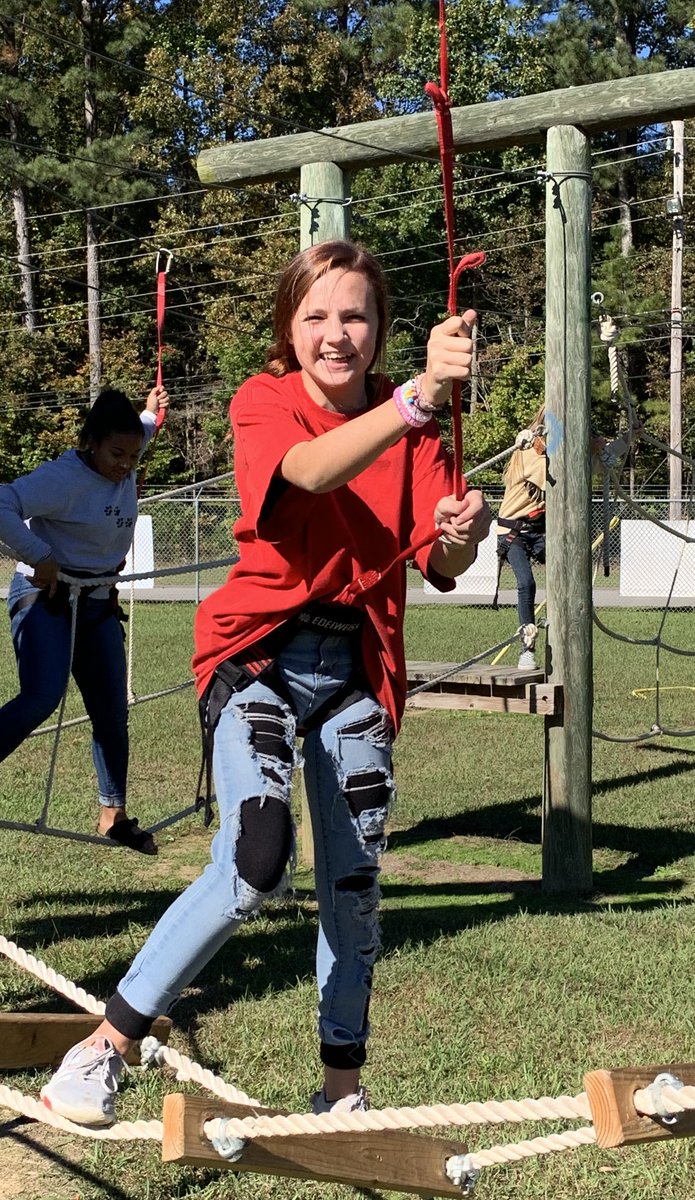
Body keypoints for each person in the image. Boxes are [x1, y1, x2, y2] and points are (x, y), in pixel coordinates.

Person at [39, 239, 491, 1127]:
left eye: (355, 315)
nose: (336, 333)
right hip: (259, 661)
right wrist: (417, 399)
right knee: (255, 862)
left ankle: (341, 1093)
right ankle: (101, 1049)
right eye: (316, 314)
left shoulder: (423, 429)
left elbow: (442, 559)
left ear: (382, 327)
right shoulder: (266, 401)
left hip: (357, 672)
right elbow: (308, 475)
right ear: (290, 325)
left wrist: (461, 525)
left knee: (354, 888)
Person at [0, 385, 169, 853]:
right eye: (117, 453)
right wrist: (38, 554)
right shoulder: (63, 478)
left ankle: (113, 815)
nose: (126, 466)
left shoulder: (127, 445)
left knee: (113, 713)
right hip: (47, 595)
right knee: (42, 696)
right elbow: (1, 504)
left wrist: (151, 413)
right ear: (91, 441)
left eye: (134, 456)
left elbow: (144, 429)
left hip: (96, 601)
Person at [495, 407, 547, 669]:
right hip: (513, 531)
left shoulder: (550, 456)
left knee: (571, 570)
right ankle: (527, 648)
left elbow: (595, 463)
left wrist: (624, 441)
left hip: (539, 530)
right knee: (526, 584)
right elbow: (558, 474)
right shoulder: (528, 454)